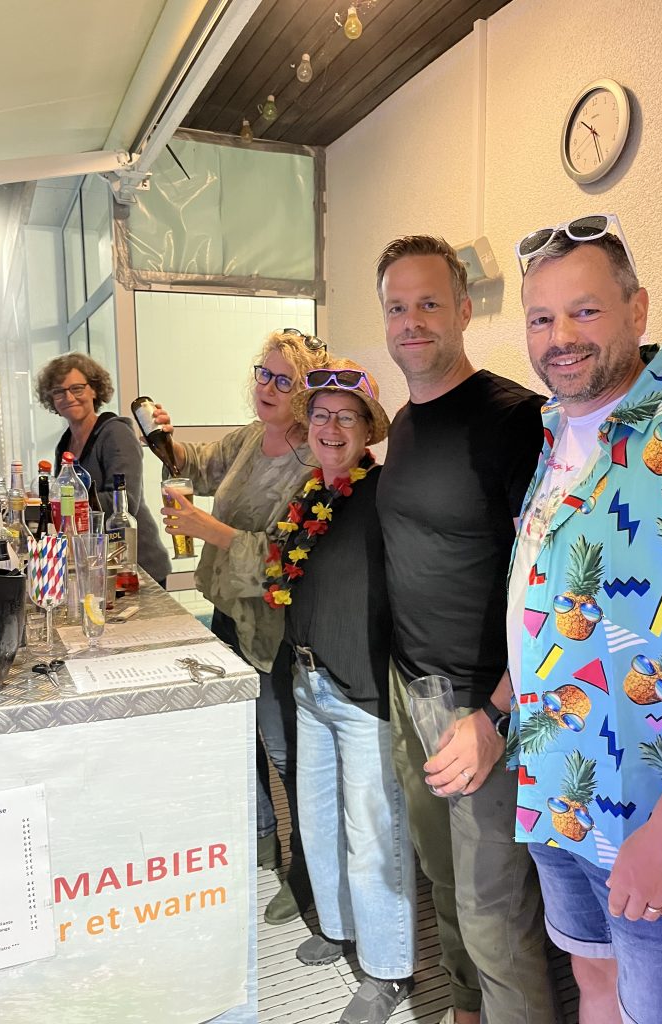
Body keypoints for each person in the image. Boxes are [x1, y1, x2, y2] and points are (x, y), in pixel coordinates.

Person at [509, 214, 662, 1024]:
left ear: (638, 310)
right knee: (593, 983)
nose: (560, 337)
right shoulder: (557, 431)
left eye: (585, 311)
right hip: (559, 792)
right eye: (541, 317)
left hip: (655, 816)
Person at [375, 235, 555, 1024]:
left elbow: (552, 590)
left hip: (484, 705)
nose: (411, 322)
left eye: (428, 303)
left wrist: (495, 715)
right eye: (397, 307)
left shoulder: (515, 420)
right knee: (443, 882)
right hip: (413, 689)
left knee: (494, 918)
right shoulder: (404, 423)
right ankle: (466, 1010)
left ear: (465, 310)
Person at [153, 329, 328, 923]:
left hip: (276, 629)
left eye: (285, 379)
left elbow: (286, 558)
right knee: (236, 734)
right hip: (226, 611)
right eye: (263, 373)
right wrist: (164, 439)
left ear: (307, 392)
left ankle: (304, 874)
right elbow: (198, 464)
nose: (268, 387)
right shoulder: (253, 436)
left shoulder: (315, 459)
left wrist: (208, 530)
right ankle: (261, 840)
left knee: (285, 752)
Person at [263, 360, 416, 1024]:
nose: (330, 427)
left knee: (373, 833)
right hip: (309, 682)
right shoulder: (308, 496)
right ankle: (338, 926)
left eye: (345, 417)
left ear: (367, 429)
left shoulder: (383, 494)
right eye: (321, 415)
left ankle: (388, 970)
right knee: (319, 819)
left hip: (363, 691)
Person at [35, 353, 171, 585]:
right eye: (59, 391)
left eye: (77, 388)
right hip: (97, 563)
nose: (69, 397)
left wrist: (66, 505)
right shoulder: (65, 443)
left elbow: (126, 501)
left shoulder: (115, 433)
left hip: (135, 564)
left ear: (94, 390)